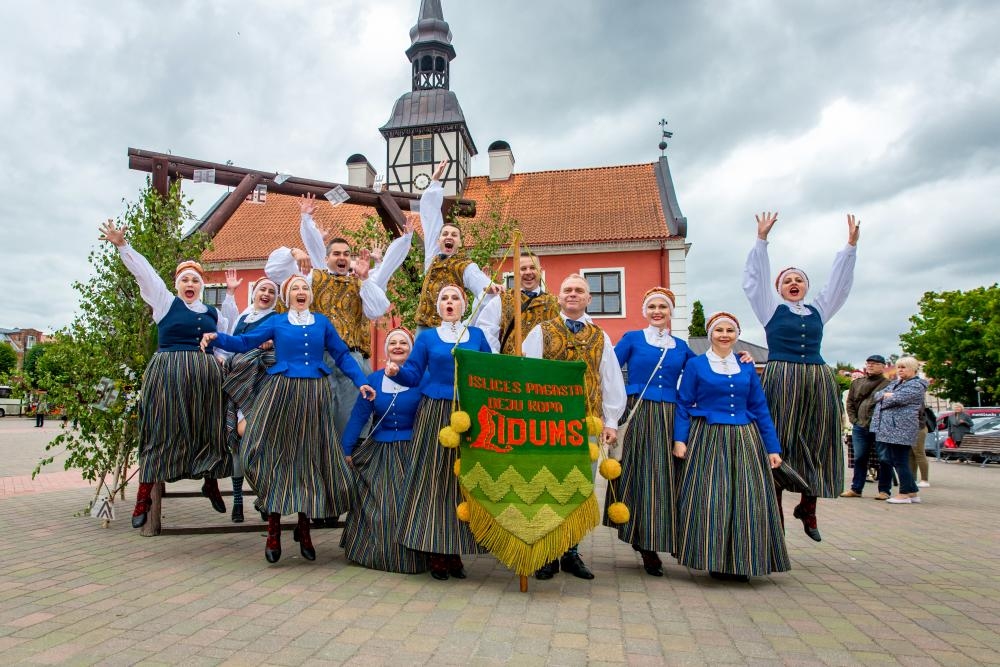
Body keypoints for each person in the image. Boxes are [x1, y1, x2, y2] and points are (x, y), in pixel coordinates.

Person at [201, 274, 376, 563]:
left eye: (304, 287)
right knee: (278, 457)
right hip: (282, 393)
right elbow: (244, 342)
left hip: (314, 396)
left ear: (310, 294)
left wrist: (361, 382)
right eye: (295, 287)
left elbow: (342, 356)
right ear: (287, 296)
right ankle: (273, 530)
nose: (300, 291)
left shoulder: (322, 322)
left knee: (309, 459)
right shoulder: (277, 322)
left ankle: (304, 528)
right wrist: (216, 337)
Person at [99, 219, 230, 529]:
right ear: (176, 284)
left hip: (206, 379)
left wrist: (222, 360)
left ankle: (210, 481)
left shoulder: (215, 314)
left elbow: (223, 344)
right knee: (160, 429)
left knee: (209, 428)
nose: (190, 284)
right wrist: (123, 245)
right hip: (168, 374)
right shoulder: (164, 302)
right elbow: (145, 274)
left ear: (202, 285)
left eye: (195, 281)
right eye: (185, 279)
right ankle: (143, 496)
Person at [743, 211, 860, 542]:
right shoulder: (770, 309)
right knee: (779, 439)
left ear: (806, 286)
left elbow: (839, 285)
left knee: (821, 438)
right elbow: (754, 280)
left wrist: (849, 248)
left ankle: (808, 507)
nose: (793, 284)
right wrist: (761, 241)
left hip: (818, 377)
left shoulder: (819, 309)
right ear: (779, 289)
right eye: (787, 281)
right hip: (783, 376)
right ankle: (775, 516)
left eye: (798, 280)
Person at [265, 194, 400, 437]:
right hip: (319, 359)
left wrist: (366, 279)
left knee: (353, 426)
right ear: (326, 258)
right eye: (336, 253)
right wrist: (294, 251)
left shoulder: (359, 282)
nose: (341, 257)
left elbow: (378, 309)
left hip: (353, 359)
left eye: (346, 254)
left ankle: (350, 471)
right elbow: (274, 271)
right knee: (319, 425)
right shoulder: (312, 278)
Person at [523, 274, 626, 581]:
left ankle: (570, 552)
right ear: (559, 297)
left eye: (579, 290)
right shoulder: (540, 332)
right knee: (546, 486)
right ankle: (545, 553)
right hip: (549, 423)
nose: (572, 294)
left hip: (587, 424)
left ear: (588, 298)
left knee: (579, 488)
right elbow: (528, 375)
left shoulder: (601, 336)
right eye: (567, 289)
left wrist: (611, 421)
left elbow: (611, 379)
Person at [385, 285, 493, 580]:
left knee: (463, 479)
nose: (449, 302)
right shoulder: (427, 337)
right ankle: (435, 549)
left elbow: (490, 375)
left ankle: (456, 548)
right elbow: (413, 374)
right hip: (435, 413)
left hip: (468, 413)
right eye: (444, 298)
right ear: (437, 306)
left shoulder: (478, 337)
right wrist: (395, 370)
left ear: (464, 304)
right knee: (434, 478)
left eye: (455, 298)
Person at [673, 312, 790, 582]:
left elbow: (759, 407)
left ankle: (744, 560)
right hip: (710, 437)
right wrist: (680, 440)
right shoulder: (697, 365)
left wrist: (772, 447)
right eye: (719, 330)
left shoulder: (746, 365)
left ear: (736, 334)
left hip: (746, 438)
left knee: (749, 499)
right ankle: (714, 559)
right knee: (713, 497)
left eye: (730, 330)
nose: (724, 335)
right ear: (710, 334)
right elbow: (683, 403)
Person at [604, 287, 693, 576]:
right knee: (639, 474)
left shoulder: (680, 347)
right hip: (637, 412)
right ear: (645, 311)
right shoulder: (632, 339)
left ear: (670, 313)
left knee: (665, 477)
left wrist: (739, 357)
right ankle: (644, 544)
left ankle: (664, 535)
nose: (657, 311)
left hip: (668, 415)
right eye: (652, 306)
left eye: (663, 308)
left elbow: (704, 369)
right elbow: (609, 371)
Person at [339, 328, 428, 574]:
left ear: (412, 351)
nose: (398, 346)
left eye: (404, 343)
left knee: (409, 505)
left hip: (413, 451)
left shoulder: (423, 378)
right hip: (380, 452)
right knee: (382, 506)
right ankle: (377, 555)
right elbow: (359, 416)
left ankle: (418, 557)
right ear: (386, 350)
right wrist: (346, 448)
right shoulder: (375, 380)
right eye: (392, 343)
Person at [414, 160, 503, 331]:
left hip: (449, 328)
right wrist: (434, 182)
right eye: (445, 234)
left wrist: (490, 288)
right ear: (439, 240)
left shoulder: (466, 266)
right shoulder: (432, 257)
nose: (449, 237)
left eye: (454, 235)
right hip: (423, 328)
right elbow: (431, 217)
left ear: (460, 242)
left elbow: (482, 288)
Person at [219, 271, 279, 523]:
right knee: (236, 442)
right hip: (237, 380)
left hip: (259, 384)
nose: (266, 294)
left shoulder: (276, 319)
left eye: (271, 292)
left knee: (258, 441)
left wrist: (270, 345)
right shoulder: (243, 315)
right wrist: (230, 292)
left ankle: (264, 496)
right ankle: (237, 501)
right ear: (254, 292)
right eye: (262, 289)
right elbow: (227, 329)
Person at [870, 357, 928, 504]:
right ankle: (912, 492)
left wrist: (887, 397)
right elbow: (876, 396)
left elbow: (897, 399)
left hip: (901, 428)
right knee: (897, 460)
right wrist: (886, 395)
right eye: (899, 367)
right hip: (890, 429)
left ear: (914, 369)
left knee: (900, 460)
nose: (900, 370)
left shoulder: (916, 385)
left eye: (904, 367)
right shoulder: (896, 383)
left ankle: (904, 493)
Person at [477, 254, 560, 354]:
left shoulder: (555, 303)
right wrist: (496, 358)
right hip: (510, 366)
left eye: (532, 267)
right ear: (515, 272)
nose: (528, 272)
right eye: (523, 269)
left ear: (540, 271)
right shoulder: (501, 299)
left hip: (543, 367)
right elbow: (486, 330)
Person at [841, 355, 891, 499]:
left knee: (884, 458)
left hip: (880, 427)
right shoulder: (857, 383)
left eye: (874, 364)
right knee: (859, 458)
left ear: (883, 366)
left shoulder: (888, 384)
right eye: (868, 363)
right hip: (860, 426)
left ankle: (884, 490)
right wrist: (854, 420)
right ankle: (856, 488)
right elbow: (849, 403)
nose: (870, 366)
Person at [911, 405, 935, 487]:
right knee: (911, 454)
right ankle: (912, 479)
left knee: (919, 452)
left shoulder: (916, 397)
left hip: (919, 427)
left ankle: (924, 480)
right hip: (911, 428)